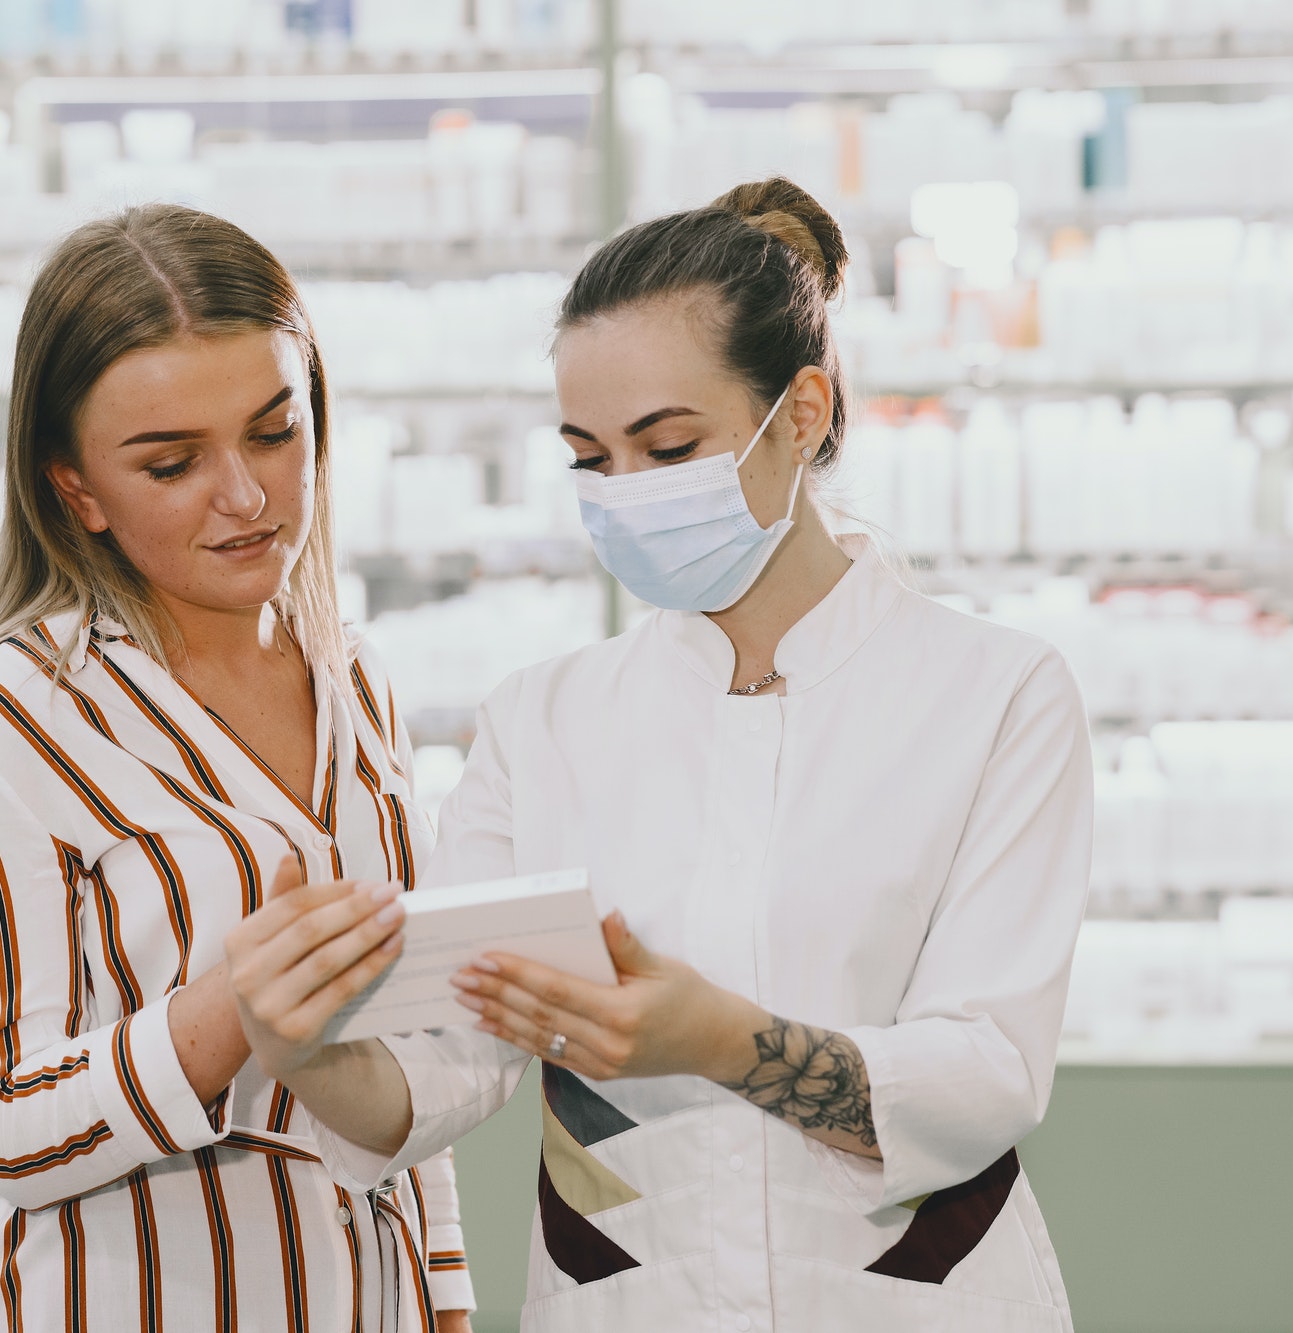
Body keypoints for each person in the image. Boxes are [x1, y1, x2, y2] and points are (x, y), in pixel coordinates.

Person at [222, 177, 1093, 1331]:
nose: (625, 497)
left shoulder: (993, 697)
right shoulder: (545, 722)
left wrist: (717, 1041)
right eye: (589, 459)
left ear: (799, 413)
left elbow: (987, 1072)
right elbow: (448, 1058)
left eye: (667, 446)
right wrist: (302, 1047)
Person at [0, 205, 475, 1332]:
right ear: (76, 490)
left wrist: (440, 1295)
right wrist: (231, 1013)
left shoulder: (352, 675)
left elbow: (404, 1057)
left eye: (275, 432)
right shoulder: (3, 724)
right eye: (171, 463)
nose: (247, 496)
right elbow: (7, 1122)